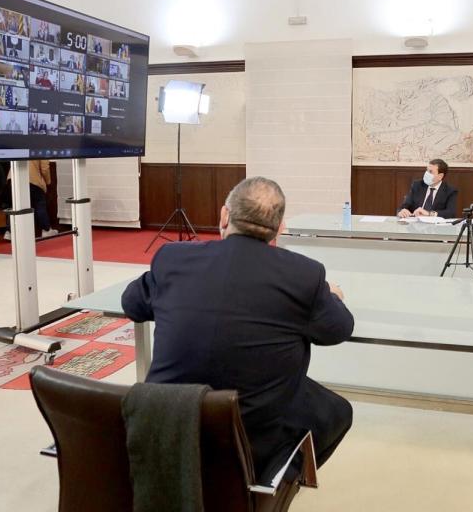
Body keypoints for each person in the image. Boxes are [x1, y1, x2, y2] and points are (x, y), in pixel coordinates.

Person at [121, 176, 354, 482]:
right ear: (279, 227)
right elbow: (337, 330)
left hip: (166, 423)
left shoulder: (174, 258)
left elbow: (132, 304)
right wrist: (330, 295)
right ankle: (273, 481)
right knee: (336, 411)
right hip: (249, 439)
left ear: (224, 216)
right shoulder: (304, 275)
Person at [3, 160, 56, 242]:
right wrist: (49, 183)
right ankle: (46, 229)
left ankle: (9, 232)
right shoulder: (41, 147)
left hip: (13, 178)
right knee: (39, 204)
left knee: (15, 205)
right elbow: (45, 168)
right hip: (32, 179)